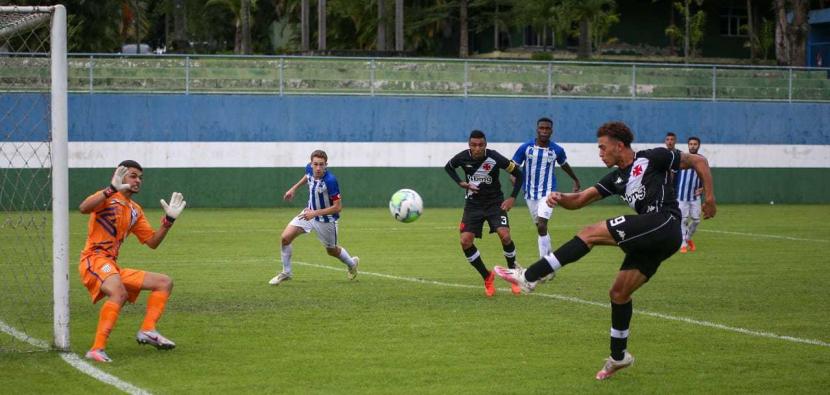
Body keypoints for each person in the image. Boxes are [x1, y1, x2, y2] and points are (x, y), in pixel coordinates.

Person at [494, 121, 716, 380]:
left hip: (664, 223)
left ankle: (531, 276)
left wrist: (709, 198)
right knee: (619, 293)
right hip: (652, 239)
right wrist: (561, 197)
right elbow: (581, 199)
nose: (599, 152)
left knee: (589, 233)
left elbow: (699, 161)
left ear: (619, 146)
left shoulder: (654, 156)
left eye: (602, 147)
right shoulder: (616, 178)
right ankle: (619, 357)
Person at [79, 160, 186, 363]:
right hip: (94, 259)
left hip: (111, 265)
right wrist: (110, 189)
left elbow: (152, 242)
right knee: (119, 293)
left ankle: (147, 330)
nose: (138, 180)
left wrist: (169, 221)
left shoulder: (135, 210)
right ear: (120, 175)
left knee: (164, 282)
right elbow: (84, 208)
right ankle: (96, 349)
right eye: (133, 175)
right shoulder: (107, 197)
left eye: (140, 177)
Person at [445, 130, 524, 296]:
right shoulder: (462, 157)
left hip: (495, 203)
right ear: (469, 145)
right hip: (473, 205)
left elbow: (518, 173)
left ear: (485, 145)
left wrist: (512, 198)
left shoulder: (495, 158)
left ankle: (513, 276)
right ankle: (487, 276)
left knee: (505, 236)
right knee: (465, 241)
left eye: (481, 145)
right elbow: (449, 167)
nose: (477, 148)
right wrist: (461, 182)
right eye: (474, 145)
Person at [270, 150, 359, 285]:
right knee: (285, 238)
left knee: (332, 250)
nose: (318, 168)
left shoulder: (330, 181)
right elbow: (307, 177)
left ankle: (352, 263)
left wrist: (315, 213)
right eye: (315, 164)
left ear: (326, 165)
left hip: (326, 220)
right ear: (311, 164)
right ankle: (286, 272)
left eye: (321, 165)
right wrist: (293, 189)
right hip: (308, 213)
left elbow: (337, 207)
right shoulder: (309, 169)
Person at [512, 117, 581, 258]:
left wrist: (575, 179)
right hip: (530, 194)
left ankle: (543, 265)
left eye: (547, 128)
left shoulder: (557, 150)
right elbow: (513, 167)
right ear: (537, 129)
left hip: (548, 193)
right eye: (541, 128)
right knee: (540, 228)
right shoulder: (526, 148)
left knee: (542, 225)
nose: (544, 131)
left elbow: (564, 165)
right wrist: (513, 177)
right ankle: (549, 260)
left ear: (551, 131)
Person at [676, 136, 705, 253]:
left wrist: (703, 188)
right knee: (682, 220)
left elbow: (705, 176)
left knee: (696, 220)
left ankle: (687, 239)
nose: (693, 146)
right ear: (688, 145)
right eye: (691, 144)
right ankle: (683, 244)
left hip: (694, 197)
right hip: (681, 196)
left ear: (699, 145)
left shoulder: (702, 160)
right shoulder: (682, 158)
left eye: (695, 144)